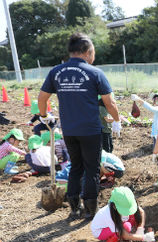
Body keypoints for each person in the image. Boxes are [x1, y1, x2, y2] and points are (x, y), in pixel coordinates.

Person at [38, 33, 121, 220]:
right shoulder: (95, 73)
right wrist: (116, 120)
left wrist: (44, 117)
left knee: (76, 167)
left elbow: (42, 98)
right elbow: (110, 103)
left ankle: (74, 208)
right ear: (87, 51)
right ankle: (91, 210)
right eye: (93, 52)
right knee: (91, 168)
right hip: (91, 130)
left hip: (69, 130)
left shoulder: (56, 72)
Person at [90, 186, 155, 242]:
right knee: (126, 227)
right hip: (100, 231)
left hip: (116, 223)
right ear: (114, 206)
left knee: (130, 221)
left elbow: (141, 212)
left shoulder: (126, 203)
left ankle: (126, 234)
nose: (127, 212)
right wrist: (143, 238)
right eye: (124, 210)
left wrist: (140, 229)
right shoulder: (108, 215)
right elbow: (124, 234)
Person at [131, 93, 158, 173]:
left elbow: (150, 108)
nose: (155, 101)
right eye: (154, 99)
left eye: (157, 99)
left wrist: (138, 99)